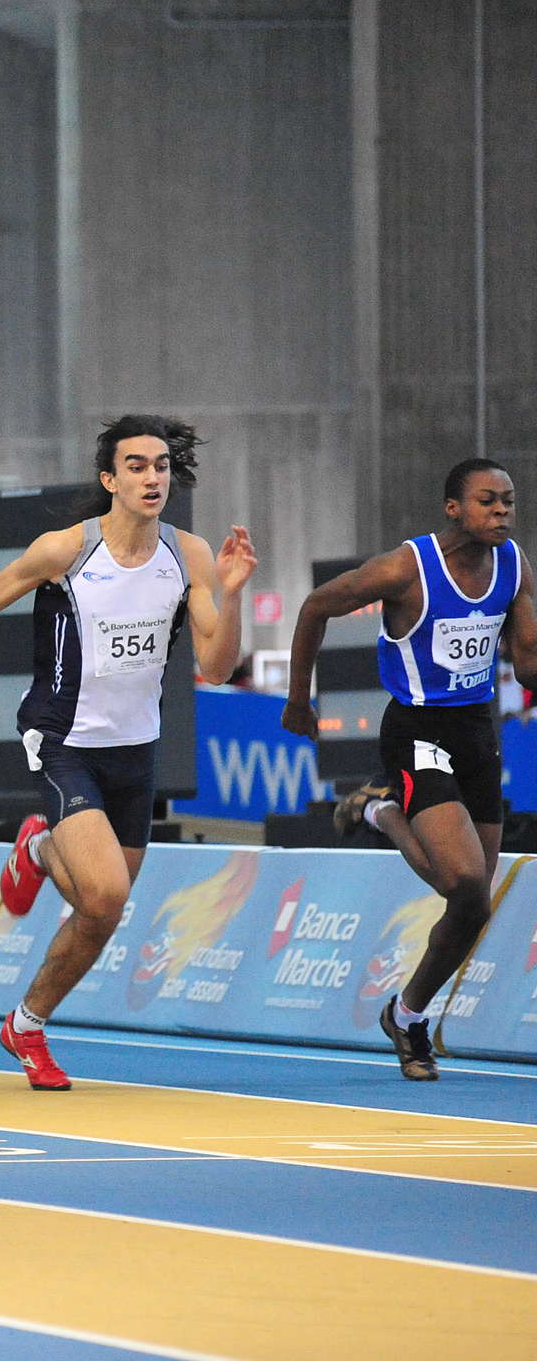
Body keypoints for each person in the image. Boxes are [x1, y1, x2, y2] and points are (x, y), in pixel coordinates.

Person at [0, 415, 254, 1090]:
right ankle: (41, 855)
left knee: (101, 907)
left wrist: (232, 596)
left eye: (161, 465)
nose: (152, 477)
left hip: (135, 749)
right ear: (110, 479)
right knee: (106, 895)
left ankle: (25, 1020)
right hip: (63, 740)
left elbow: (217, 667)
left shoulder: (189, 555)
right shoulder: (67, 549)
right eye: (136, 466)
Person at [284, 457, 536, 1081]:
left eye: (508, 501)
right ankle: (385, 813)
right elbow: (315, 606)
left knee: (474, 907)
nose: (501, 512)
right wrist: (298, 700)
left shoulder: (513, 565)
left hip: (478, 733)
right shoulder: (406, 568)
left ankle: (407, 1015)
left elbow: (528, 664)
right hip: (418, 730)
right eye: (487, 501)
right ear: (454, 508)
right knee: (464, 883)